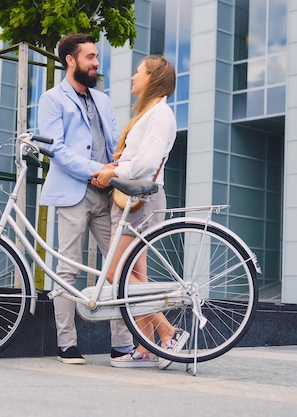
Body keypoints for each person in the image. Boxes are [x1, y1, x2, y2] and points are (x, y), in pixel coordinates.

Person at [37, 33, 135, 365]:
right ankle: (67, 345)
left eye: (96, 57)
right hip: (73, 193)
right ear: (71, 60)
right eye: (90, 57)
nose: (96, 62)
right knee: (67, 269)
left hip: (108, 195)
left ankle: (121, 346)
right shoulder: (52, 99)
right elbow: (55, 149)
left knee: (119, 268)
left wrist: (116, 168)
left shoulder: (102, 100)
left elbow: (115, 144)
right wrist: (97, 169)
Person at [91, 55, 186, 369]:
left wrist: (114, 175)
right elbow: (137, 158)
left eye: (138, 72)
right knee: (135, 274)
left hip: (141, 201)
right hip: (130, 200)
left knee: (116, 273)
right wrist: (113, 169)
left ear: (153, 78)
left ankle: (168, 332)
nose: (133, 77)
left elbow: (146, 163)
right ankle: (147, 348)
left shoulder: (160, 114)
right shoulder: (150, 114)